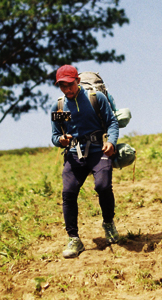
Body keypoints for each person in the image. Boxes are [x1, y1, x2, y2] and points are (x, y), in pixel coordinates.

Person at [51, 65, 120, 258]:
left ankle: (108, 223)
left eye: (69, 84)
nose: (67, 89)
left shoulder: (95, 98)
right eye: (62, 86)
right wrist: (61, 140)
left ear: (78, 81)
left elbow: (112, 122)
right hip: (74, 153)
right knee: (68, 192)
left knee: (103, 186)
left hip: (99, 150)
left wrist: (112, 142)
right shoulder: (59, 106)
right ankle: (74, 239)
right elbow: (55, 135)